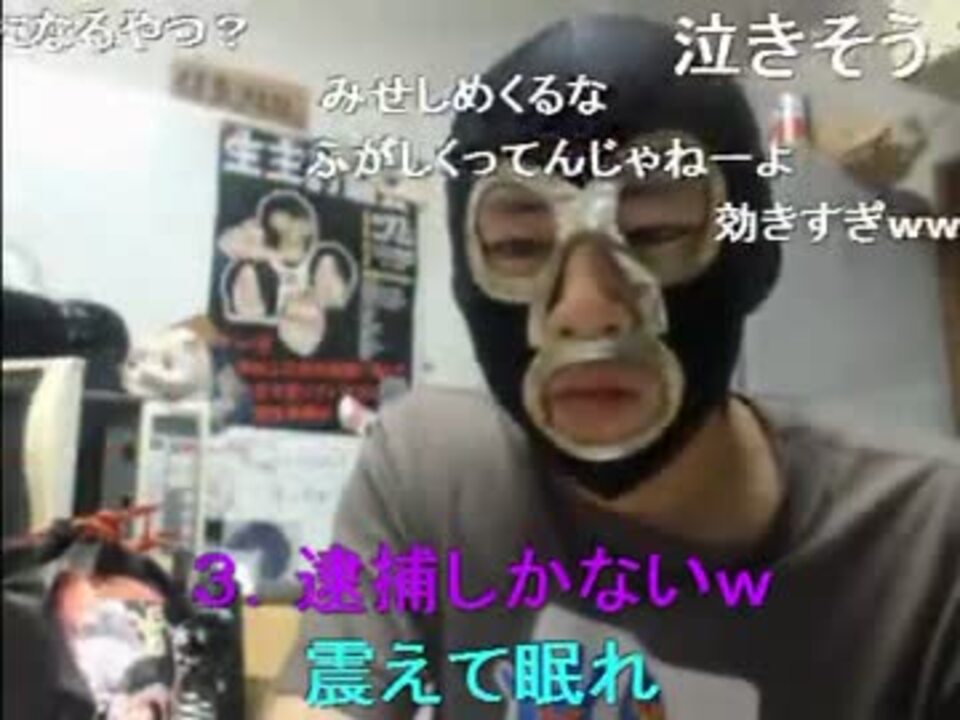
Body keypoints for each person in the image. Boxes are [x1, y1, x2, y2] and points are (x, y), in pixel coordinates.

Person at [267, 15, 959, 720]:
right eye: (518, 244)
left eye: (656, 231)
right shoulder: (428, 469)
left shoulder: (932, 543)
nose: (586, 309)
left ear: (751, 255)